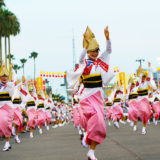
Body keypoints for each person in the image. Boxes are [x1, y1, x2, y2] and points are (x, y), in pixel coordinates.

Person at [67, 26, 114, 160]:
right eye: (91, 51)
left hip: (98, 97)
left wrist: (107, 37)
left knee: (100, 125)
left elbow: (109, 50)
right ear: (88, 51)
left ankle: (91, 151)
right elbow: (80, 58)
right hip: (87, 97)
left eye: (96, 51)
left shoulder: (100, 62)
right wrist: (85, 45)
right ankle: (86, 134)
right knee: (95, 119)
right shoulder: (84, 63)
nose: (94, 53)